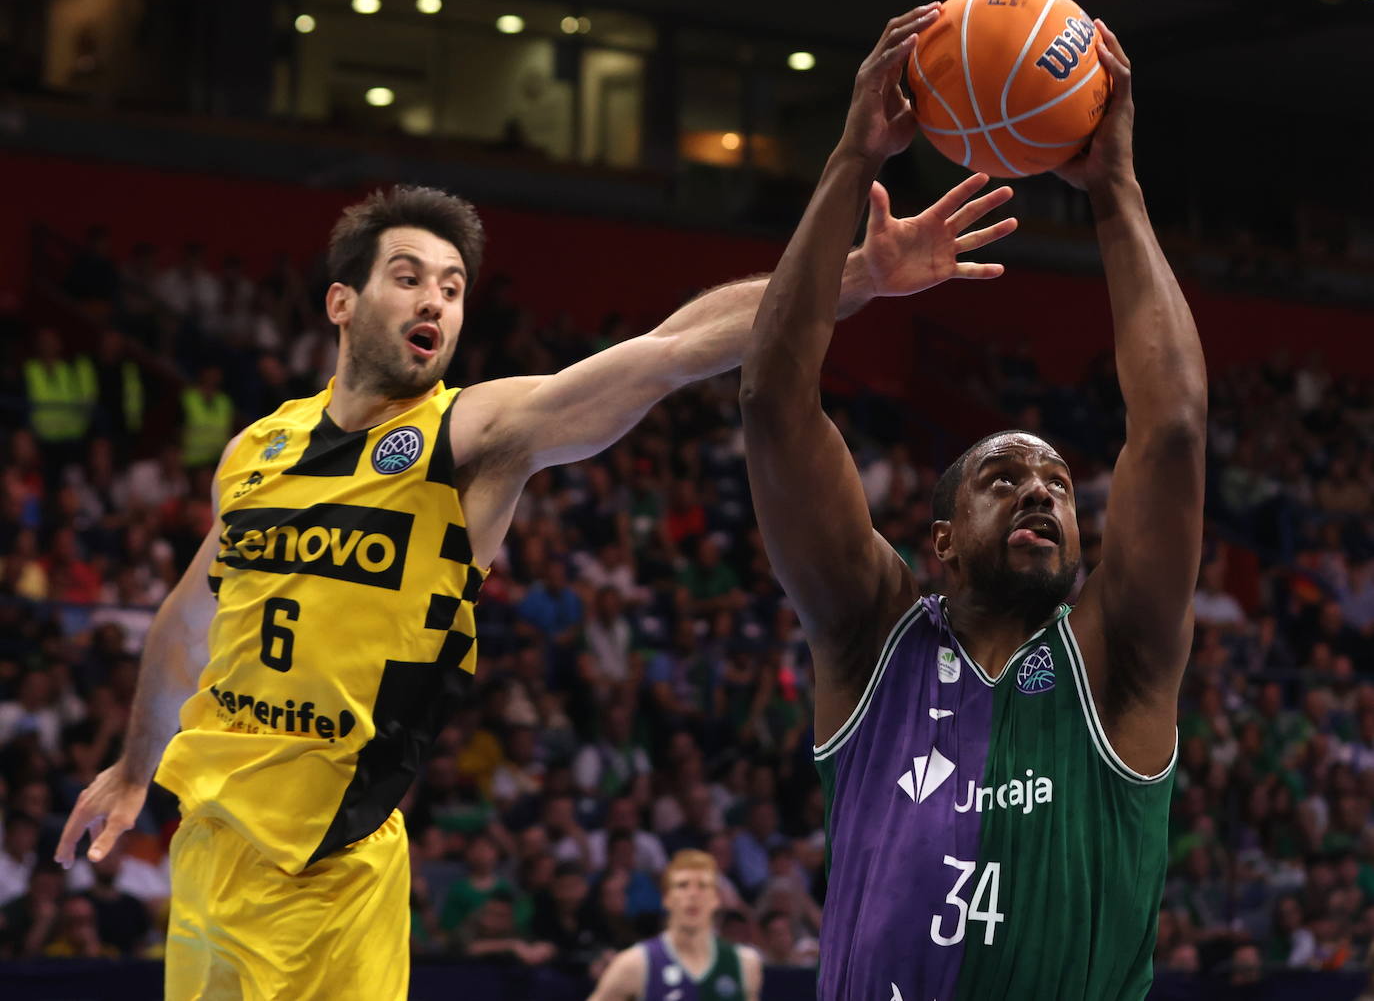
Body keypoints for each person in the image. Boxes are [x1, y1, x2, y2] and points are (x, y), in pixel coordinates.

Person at [55, 171, 1012, 999]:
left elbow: (670, 351)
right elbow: (189, 611)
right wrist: (136, 766)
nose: (435, 301)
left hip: (328, 869)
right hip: (208, 847)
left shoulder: (471, 436)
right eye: (408, 277)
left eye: (454, 288)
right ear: (341, 302)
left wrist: (859, 277)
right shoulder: (256, 450)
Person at [740, 4, 1205, 1001]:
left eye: (1059, 487)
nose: (1042, 492)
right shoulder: (874, 641)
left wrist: (1116, 190)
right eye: (1006, 478)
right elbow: (773, 404)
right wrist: (848, 157)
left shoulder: (1117, 659)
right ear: (942, 541)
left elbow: (1169, 430)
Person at [587, 849, 762, 1001]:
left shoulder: (744, 963)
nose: (693, 894)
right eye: (682, 885)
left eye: (702, 886)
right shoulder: (634, 963)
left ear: (716, 898)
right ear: (666, 897)